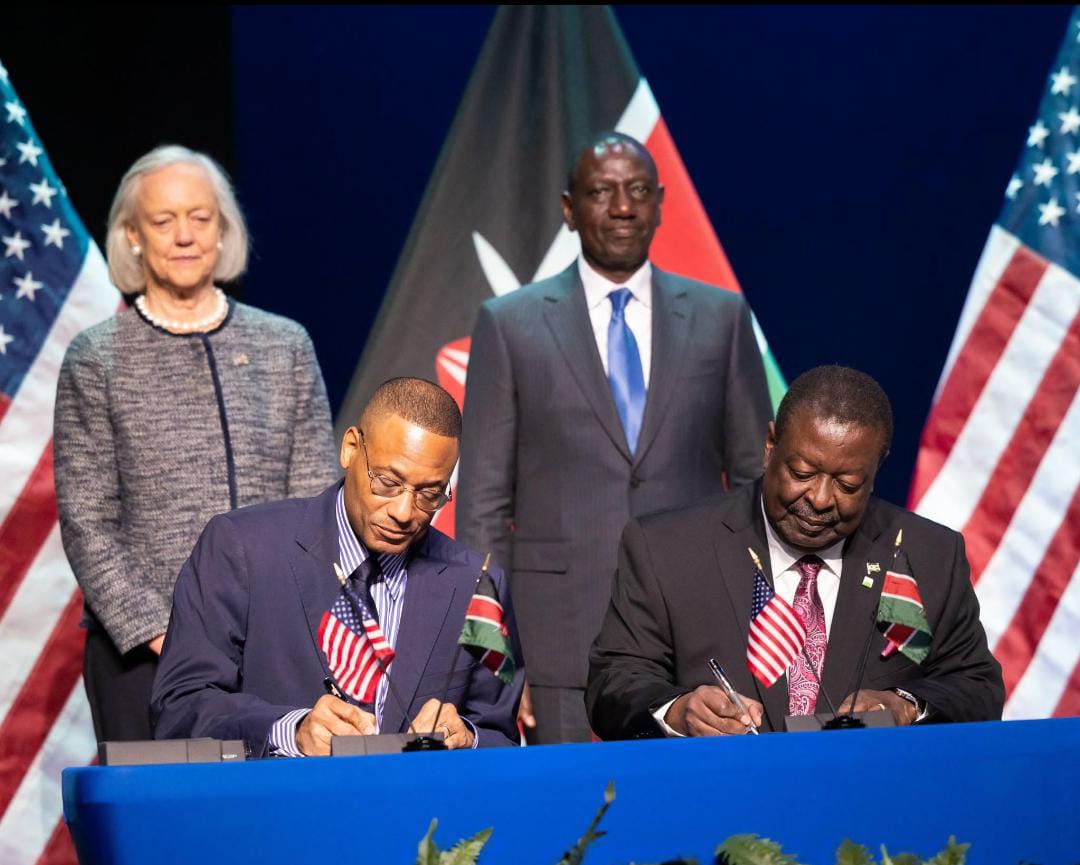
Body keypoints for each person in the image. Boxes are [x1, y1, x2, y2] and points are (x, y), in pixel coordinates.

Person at [456, 131, 773, 743]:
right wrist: (500, 664)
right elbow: (483, 509)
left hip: (701, 635)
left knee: (699, 826)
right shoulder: (511, 324)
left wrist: (762, 620)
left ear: (659, 203)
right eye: (602, 192)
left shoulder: (721, 317)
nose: (622, 207)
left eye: (637, 192)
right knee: (578, 827)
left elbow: (758, 485)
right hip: (560, 642)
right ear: (569, 209)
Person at [54, 145, 338, 743]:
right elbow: (87, 522)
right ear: (132, 235)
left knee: (271, 830)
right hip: (144, 662)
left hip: (276, 654)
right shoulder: (97, 358)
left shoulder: (284, 345)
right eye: (163, 220)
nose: (184, 235)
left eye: (200, 217)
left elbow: (317, 502)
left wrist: (283, 627)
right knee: (159, 833)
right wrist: (168, 632)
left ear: (223, 229)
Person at [586, 365, 1004, 739]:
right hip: (722, 806)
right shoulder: (667, 547)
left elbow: (977, 688)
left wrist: (905, 706)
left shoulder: (930, 553)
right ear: (770, 445)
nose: (820, 499)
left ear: (876, 471)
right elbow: (614, 683)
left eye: (848, 484)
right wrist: (677, 711)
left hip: (871, 811)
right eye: (802, 473)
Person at [151, 377, 524, 756]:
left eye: (430, 494)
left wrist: (469, 738)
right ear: (350, 449)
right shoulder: (242, 548)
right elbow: (180, 708)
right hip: (277, 807)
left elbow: (500, 734)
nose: (403, 512)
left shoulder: (477, 583)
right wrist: (290, 731)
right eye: (387, 482)